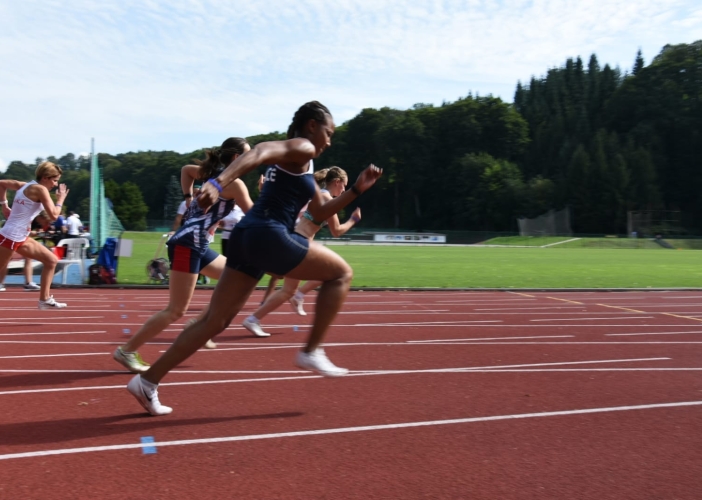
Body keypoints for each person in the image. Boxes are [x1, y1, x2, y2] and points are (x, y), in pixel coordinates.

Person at [126, 101, 382, 415]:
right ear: (312, 126)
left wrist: (356, 189)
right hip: (268, 234)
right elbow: (258, 151)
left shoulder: (303, 163)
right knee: (341, 274)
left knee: (214, 321)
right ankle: (312, 350)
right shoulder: (301, 145)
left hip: (246, 237)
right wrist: (218, 182)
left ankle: (147, 381)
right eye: (329, 133)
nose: (330, 141)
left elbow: (318, 211)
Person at [114, 137, 254, 373]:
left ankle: (199, 324)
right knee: (176, 309)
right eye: (248, 155)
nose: (253, 160)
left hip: (198, 244)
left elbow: (185, 171)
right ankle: (127, 350)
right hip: (188, 244)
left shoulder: (211, 173)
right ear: (235, 158)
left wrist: (188, 198)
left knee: (237, 278)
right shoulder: (234, 183)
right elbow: (253, 213)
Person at [243, 166, 361, 336]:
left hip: (295, 239)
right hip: (300, 242)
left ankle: (254, 318)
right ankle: (295, 297)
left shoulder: (317, 194)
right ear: (337, 182)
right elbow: (336, 231)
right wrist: (353, 220)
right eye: (344, 186)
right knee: (336, 272)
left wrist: (264, 190)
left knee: (288, 290)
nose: (343, 190)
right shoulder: (327, 199)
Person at [0, 162, 69, 309]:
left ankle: (44, 300)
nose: (56, 185)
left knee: (51, 260)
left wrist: (4, 205)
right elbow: (54, 215)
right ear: (45, 177)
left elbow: (2, 184)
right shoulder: (40, 190)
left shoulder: (24, 185)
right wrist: (60, 199)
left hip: (20, 237)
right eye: (54, 180)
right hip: (10, 237)